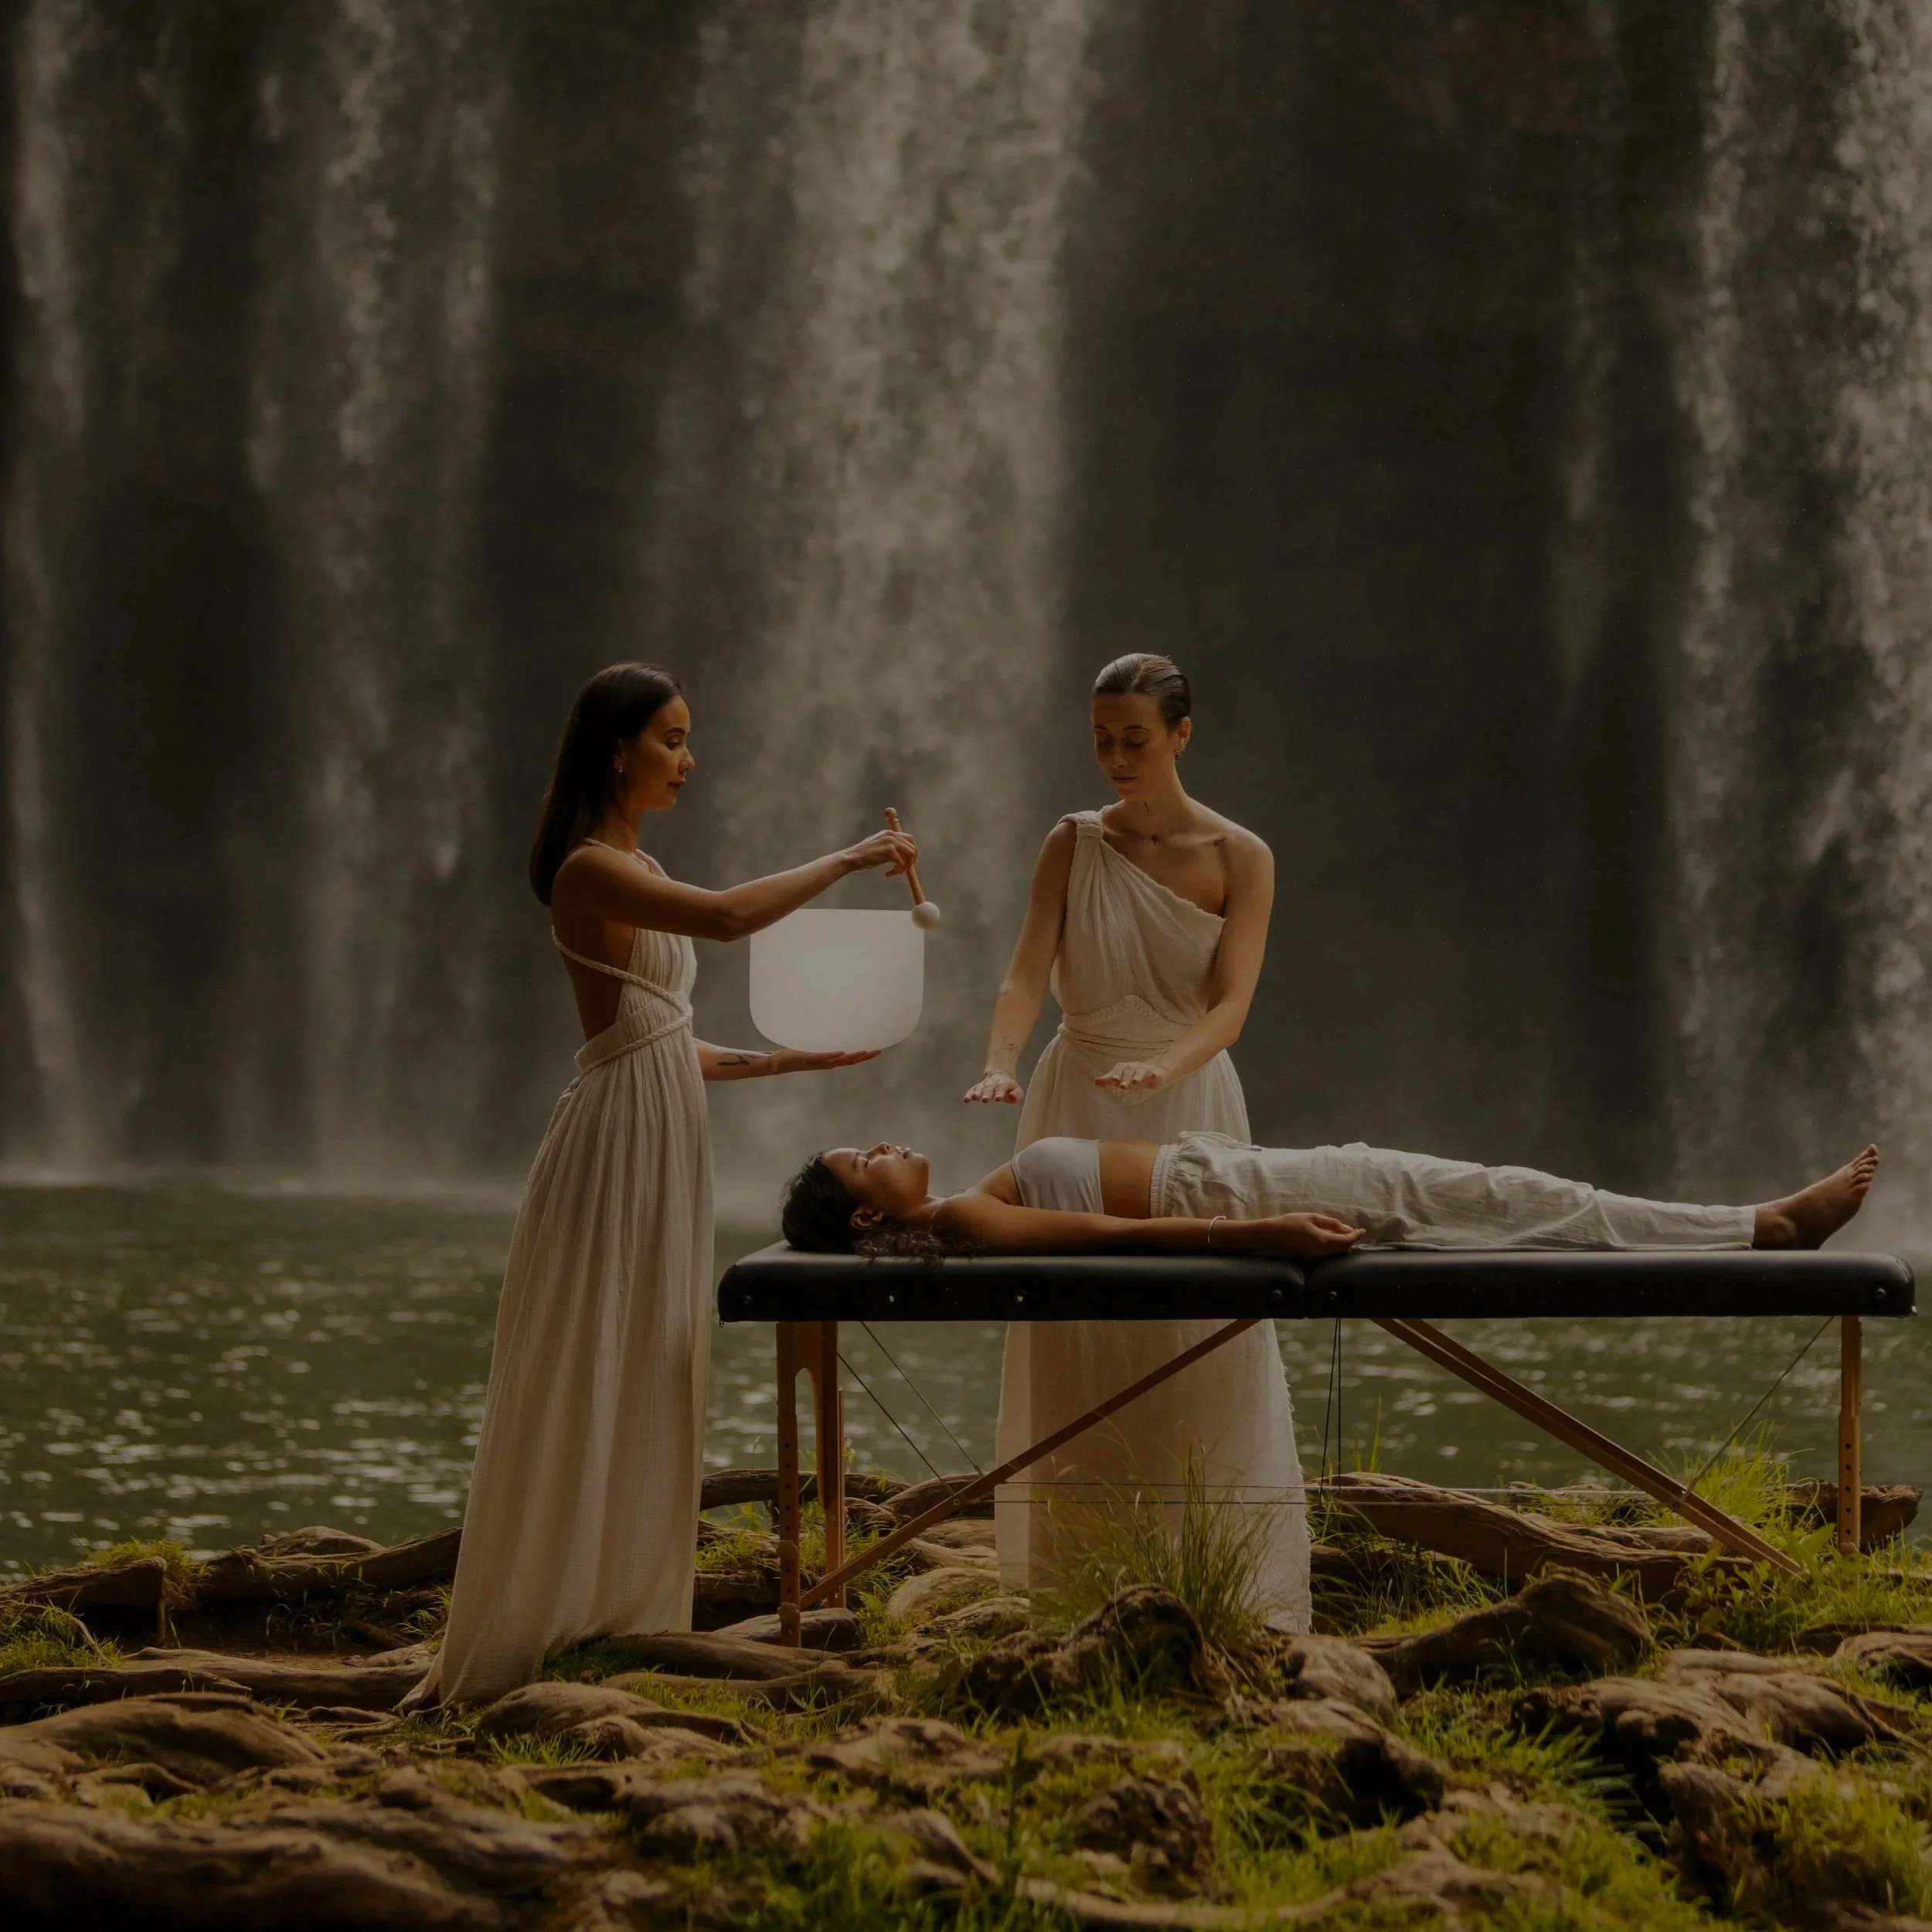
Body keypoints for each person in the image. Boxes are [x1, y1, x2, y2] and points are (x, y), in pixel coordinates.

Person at [778, 1134, 1881, 1628]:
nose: (886, 1143)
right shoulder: (972, 1217)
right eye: (864, 1160)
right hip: (1246, 1193)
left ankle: (1749, 1223)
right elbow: (1116, 1234)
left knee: (1503, 1201)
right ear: (868, 1219)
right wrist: (1256, 1230)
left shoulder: (967, 1210)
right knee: (1510, 1199)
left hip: (1243, 1178)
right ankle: (1762, 1227)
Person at [409, 663, 918, 1708]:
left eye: (689, 740)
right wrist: (851, 856)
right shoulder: (588, 871)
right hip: (611, 1145)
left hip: (658, 1126)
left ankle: (620, 1613)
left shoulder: (636, 862)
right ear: (617, 751)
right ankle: (541, 1624)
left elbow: (659, 1037)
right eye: (673, 740)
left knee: (648, 1357)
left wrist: (788, 1061)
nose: (690, 760)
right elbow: (726, 920)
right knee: (593, 1354)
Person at [962, 653, 1288, 1609]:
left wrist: (1166, 1066)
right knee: (1080, 1322)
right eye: (1101, 739)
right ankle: (1077, 1579)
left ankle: (1213, 1577)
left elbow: (1231, 1007)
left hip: (1186, 1099)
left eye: (1134, 739)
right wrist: (1000, 1060)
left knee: (1196, 1324)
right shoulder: (1071, 842)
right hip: (1076, 1090)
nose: (1114, 758)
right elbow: (1026, 971)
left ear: (1181, 735)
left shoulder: (1241, 855)